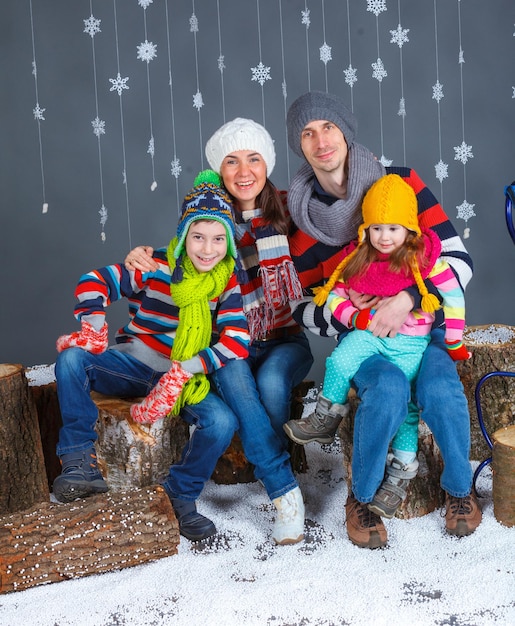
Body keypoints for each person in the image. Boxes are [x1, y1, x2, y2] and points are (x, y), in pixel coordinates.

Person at [284, 90, 481, 548]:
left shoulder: (401, 184)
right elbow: (303, 307)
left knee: (441, 390)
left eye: (328, 127)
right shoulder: (301, 225)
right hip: (367, 340)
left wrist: (408, 298)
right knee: (388, 390)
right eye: (307, 133)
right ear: (300, 147)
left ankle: (458, 489)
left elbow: (458, 261)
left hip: (423, 332)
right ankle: (363, 496)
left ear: (346, 134)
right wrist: (359, 315)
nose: (320, 141)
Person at [125, 118, 314, 545]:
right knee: (234, 373)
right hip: (233, 342)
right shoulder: (211, 214)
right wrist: (143, 255)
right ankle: (285, 491)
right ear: (220, 170)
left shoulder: (291, 211)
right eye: (231, 161)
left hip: (285, 338)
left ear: (267, 164)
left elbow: (331, 241)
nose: (244, 170)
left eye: (253, 158)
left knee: (270, 383)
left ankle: (272, 471)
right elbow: (187, 251)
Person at [53, 172, 250, 543]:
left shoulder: (226, 283)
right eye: (198, 237)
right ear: (183, 235)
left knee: (221, 422)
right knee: (71, 360)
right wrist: (94, 321)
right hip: (132, 362)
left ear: (229, 242)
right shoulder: (156, 264)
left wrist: (188, 369)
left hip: (181, 377)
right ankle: (80, 462)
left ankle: (180, 493)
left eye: (218, 239)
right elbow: (95, 280)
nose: (207, 249)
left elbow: (237, 340)